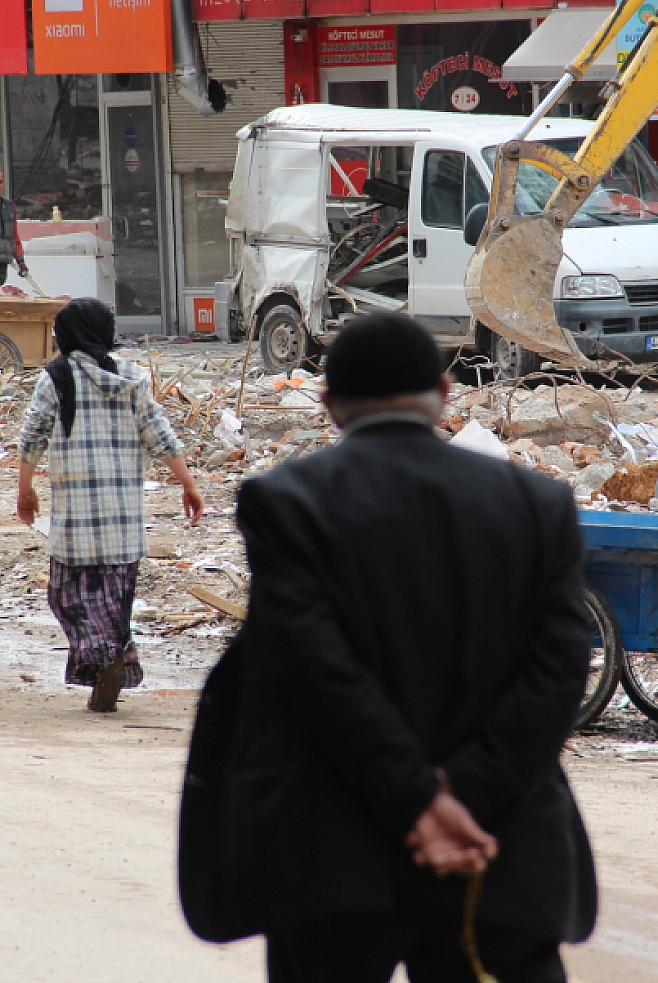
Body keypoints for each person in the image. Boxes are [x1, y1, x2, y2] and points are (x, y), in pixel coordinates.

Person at [178, 313, 597, 983]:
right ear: (444, 392)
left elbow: (317, 669)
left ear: (327, 402)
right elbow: (560, 667)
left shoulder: (287, 501)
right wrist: (460, 796)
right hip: (496, 846)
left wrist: (417, 798)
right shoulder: (537, 502)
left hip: (335, 859)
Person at [15, 298, 204, 712]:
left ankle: (105, 659)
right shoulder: (131, 375)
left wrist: (25, 488)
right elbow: (159, 433)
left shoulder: (57, 376)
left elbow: (33, 433)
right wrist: (188, 483)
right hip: (123, 517)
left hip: (75, 517)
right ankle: (110, 660)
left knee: (65, 597)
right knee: (115, 602)